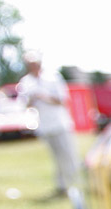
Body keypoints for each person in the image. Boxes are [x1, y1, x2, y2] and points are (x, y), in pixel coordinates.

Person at [17, 51, 79, 199]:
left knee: (69, 154)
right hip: (45, 125)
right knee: (56, 157)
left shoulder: (53, 76)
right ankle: (62, 186)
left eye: (35, 63)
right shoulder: (25, 82)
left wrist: (43, 96)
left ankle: (77, 185)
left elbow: (63, 100)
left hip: (60, 123)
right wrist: (33, 98)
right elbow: (24, 104)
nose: (33, 66)